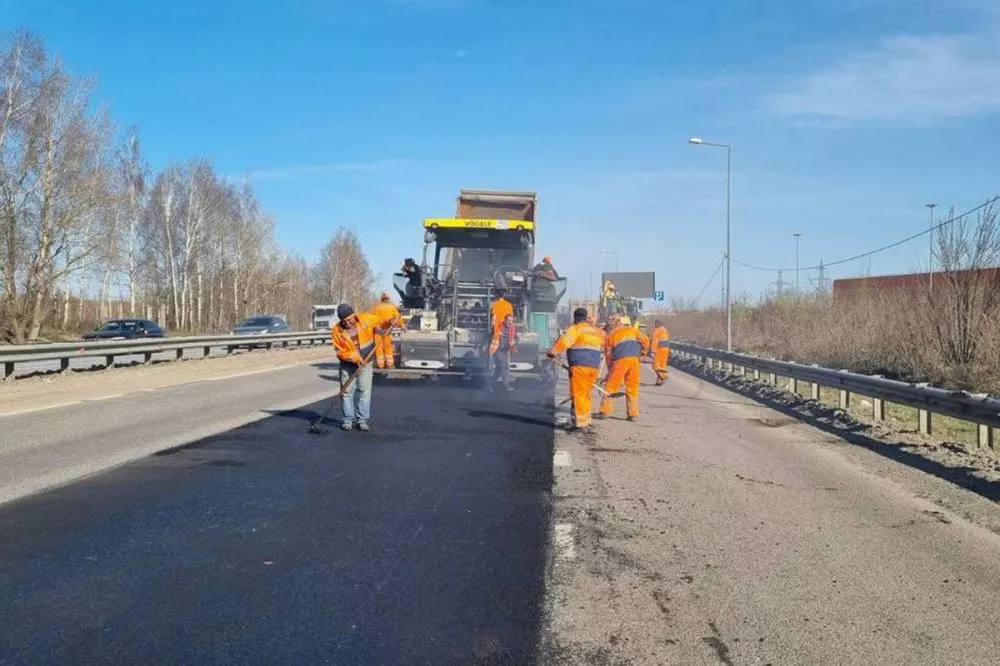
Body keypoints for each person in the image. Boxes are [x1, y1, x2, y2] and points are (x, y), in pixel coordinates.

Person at [330, 303, 400, 432]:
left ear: (354, 314)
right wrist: (355, 358)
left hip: (366, 363)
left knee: (364, 391)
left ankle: (361, 420)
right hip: (347, 365)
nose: (348, 323)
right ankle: (347, 420)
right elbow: (340, 351)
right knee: (346, 393)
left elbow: (381, 321)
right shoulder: (336, 331)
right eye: (344, 321)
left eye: (349, 319)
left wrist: (389, 321)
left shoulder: (365, 319)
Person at [548, 307, 606, 431]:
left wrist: (552, 353)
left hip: (580, 365)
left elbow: (564, 343)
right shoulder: (595, 331)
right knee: (586, 394)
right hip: (594, 366)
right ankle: (586, 420)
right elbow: (604, 342)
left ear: (575, 318)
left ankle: (580, 423)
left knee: (578, 394)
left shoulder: (575, 329)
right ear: (585, 318)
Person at [599, 313, 642, 422]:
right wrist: (643, 353)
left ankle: (605, 411)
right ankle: (633, 414)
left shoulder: (610, 335)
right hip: (635, 360)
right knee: (632, 387)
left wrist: (610, 371)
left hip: (621, 360)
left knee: (611, 386)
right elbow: (645, 340)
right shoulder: (631, 330)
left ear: (610, 325)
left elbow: (608, 356)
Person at [372, 292, 405, 369]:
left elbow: (372, 319)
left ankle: (380, 365)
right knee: (388, 347)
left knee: (378, 348)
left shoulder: (376, 307)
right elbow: (398, 317)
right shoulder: (392, 307)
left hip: (377, 330)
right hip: (387, 329)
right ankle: (389, 365)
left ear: (382, 299)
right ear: (388, 299)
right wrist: (402, 325)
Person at [489, 313, 518, 391]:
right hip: (498, 350)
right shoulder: (498, 327)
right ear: (504, 320)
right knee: (505, 367)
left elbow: (516, 337)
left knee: (499, 369)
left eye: (511, 321)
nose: (510, 322)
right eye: (508, 321)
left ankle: (489, 385)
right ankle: (506, 385)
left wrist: (514, 341)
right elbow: (491, 335)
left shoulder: (512, 328)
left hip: (506, 350)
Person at [650, 319, 671, 385]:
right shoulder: (665, 330)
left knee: (655, 365)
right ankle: (659, 381)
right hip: (666, 349)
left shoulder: (656, 330)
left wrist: (653, 351)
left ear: (657, 324)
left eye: (655, 324)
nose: (655, 325)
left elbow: (655, 341)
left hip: (659, 349)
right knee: (662, 365)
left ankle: (663, 376)